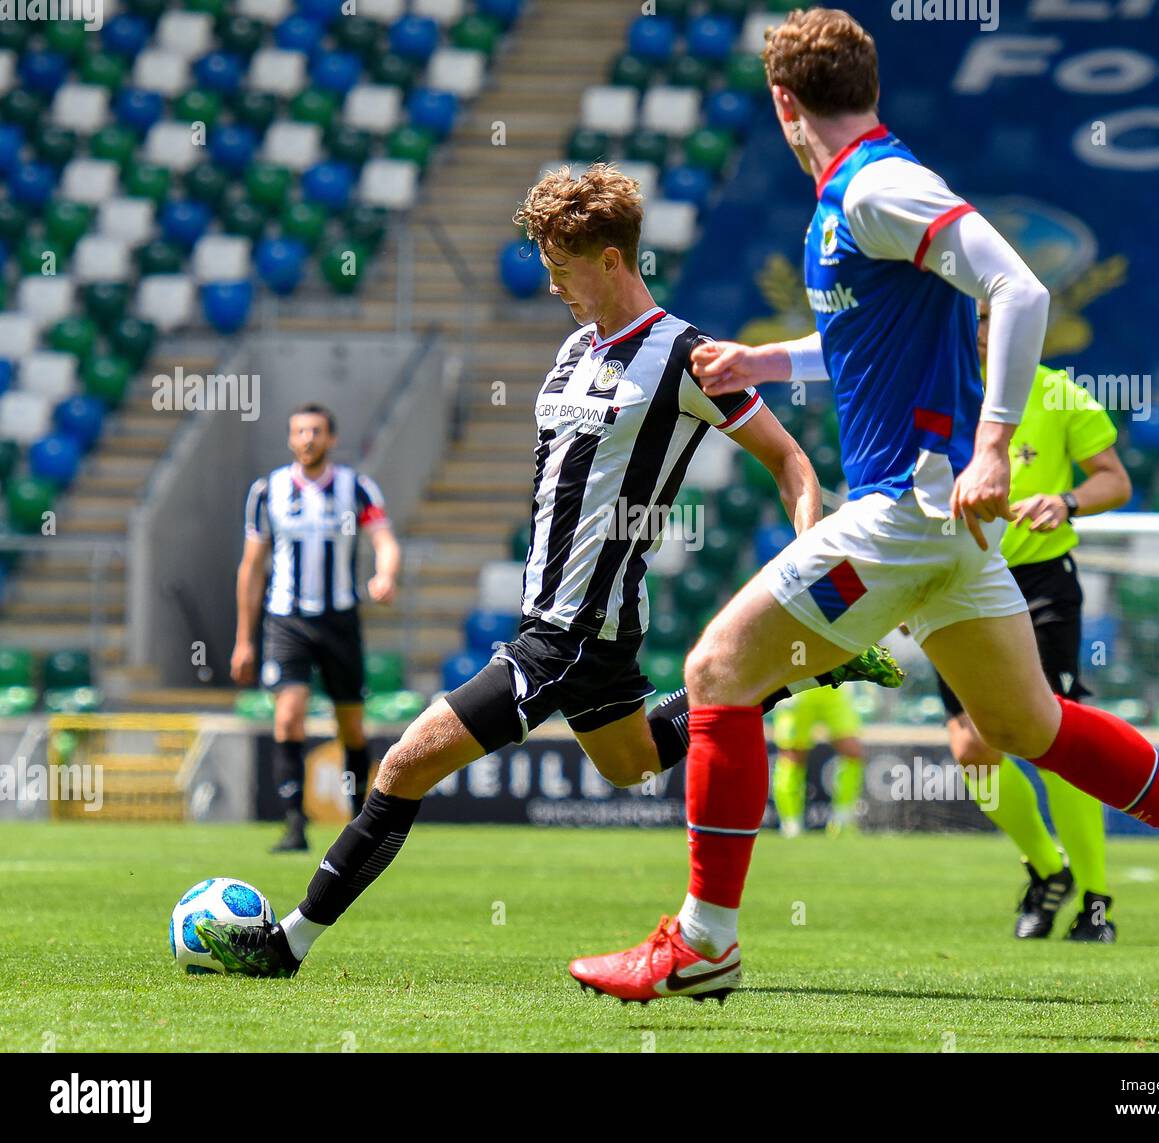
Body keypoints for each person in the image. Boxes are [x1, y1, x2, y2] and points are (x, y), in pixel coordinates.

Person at [568, 8, 1159, 1003]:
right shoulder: (871, 190)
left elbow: (1019, 291)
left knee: (718, 670)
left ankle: (703, 942)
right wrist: (765, 362)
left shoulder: (874, 187)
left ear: (783, 104)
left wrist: (993, 445)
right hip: (943, 522)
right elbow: (875, 341)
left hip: (906, 506)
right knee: (1028, 723)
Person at [197, 164, 901, 976]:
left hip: (570, 630)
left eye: (563, 270)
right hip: (560, 620)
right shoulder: (572, 349)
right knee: (633, 762)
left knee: (402, 764)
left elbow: (790, 461)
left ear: (610, 261)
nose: (555, 286)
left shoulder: (687, 355)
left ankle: (286, 944)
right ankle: (808, 666)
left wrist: (809, 556)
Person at [939, 301, 1132, 941]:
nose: (982, 331)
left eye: (993, 318)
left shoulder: (1060, 393)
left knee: (1056, 740)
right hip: (957, 582)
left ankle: (1097, 898)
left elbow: (1115, 481)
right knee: (972, 745)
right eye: (975, 319)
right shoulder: (941, 393)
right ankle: (1048, 869)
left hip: (1042, 583)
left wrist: (1068, 499)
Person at [233, 404, 401, 852]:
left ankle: (359, 823)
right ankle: (294, 824)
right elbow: (252, 567)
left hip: (339, 621)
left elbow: (384, 541)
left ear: (332, 439)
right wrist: (243, 639)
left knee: (351, 727)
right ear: (290, 439)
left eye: (316, 432)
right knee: (288, 716)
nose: (307, 439)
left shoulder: (356, 487)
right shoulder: (268, 491)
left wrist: (385, 575)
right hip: (286, 619)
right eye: (299, 431)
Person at [771, 684, 865, 838]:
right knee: (793, 756)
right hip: (799, 685)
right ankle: (791, 822)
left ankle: (843, 819)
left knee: (852, 752)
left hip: (833, 687)